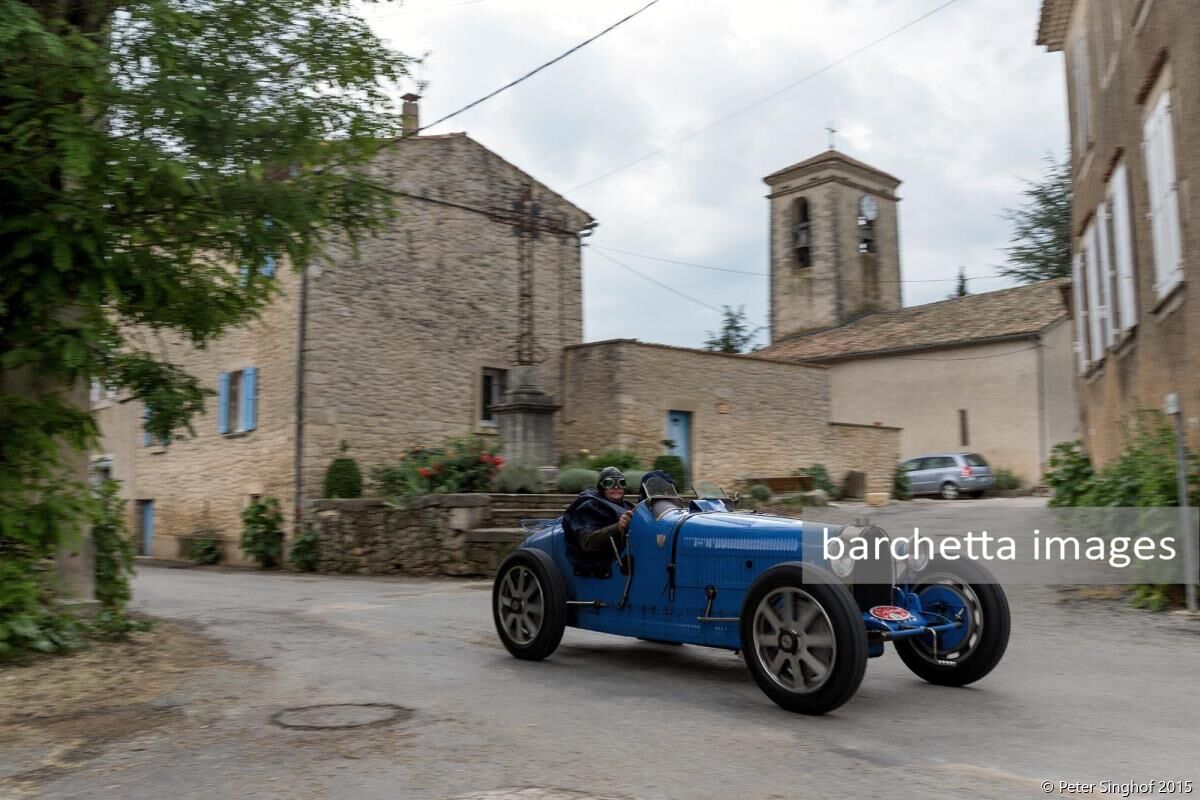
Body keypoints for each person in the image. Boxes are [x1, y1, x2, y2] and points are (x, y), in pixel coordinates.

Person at [562, 467, 635, 563]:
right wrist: (618, 526)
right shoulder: (590, 506)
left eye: (621, 483)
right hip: (602, 563)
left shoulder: (628, 506)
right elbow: (587, 542)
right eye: (609, 483)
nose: (616, 487)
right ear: (601, 487)